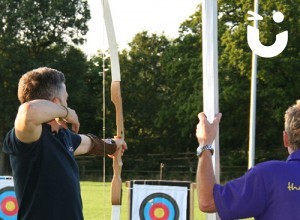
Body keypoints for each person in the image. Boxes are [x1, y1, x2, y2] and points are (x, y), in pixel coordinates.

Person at [2, 67, 127, 220]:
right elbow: (28, 111)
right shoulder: (30, 136)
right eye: (66, 99)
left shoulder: (64, 137)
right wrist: (67, 113)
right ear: (57, 103)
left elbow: (89, 144)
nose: (68, 104)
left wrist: (114, 145)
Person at [196, 101, 300, 220]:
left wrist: (205, 144)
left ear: (285, 138)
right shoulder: (268, 176)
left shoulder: (268, 176)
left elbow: (207, 202)